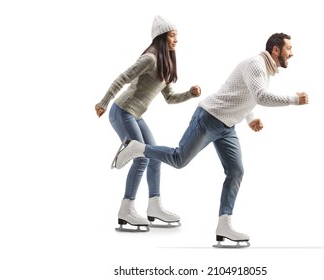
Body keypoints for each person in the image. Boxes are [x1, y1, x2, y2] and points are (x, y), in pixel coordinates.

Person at [111, 33, 308, 245]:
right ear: (276, 50)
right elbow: (260, 96)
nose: (292, 53)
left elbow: (242, 94)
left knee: (236, 171)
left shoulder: (265, 69)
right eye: (289, 48)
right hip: (209, 117)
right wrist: (294, 100)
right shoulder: (256, 65)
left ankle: (224, 224)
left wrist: (250, 118)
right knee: (179, 160)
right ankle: (138, 148)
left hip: (228, 127)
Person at [95, 15, 201, 231]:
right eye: (172, 36)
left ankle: (154, 206)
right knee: (141, 157)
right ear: (162, 38)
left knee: (153, 157)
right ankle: (126, 209)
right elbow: (123, 77)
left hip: (135, 115)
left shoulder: (165, 63)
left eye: (176, 36)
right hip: (121, 111)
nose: (176, 40)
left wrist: (190, 94)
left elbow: (170, 98)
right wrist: (104, 102)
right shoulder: (150, 59)